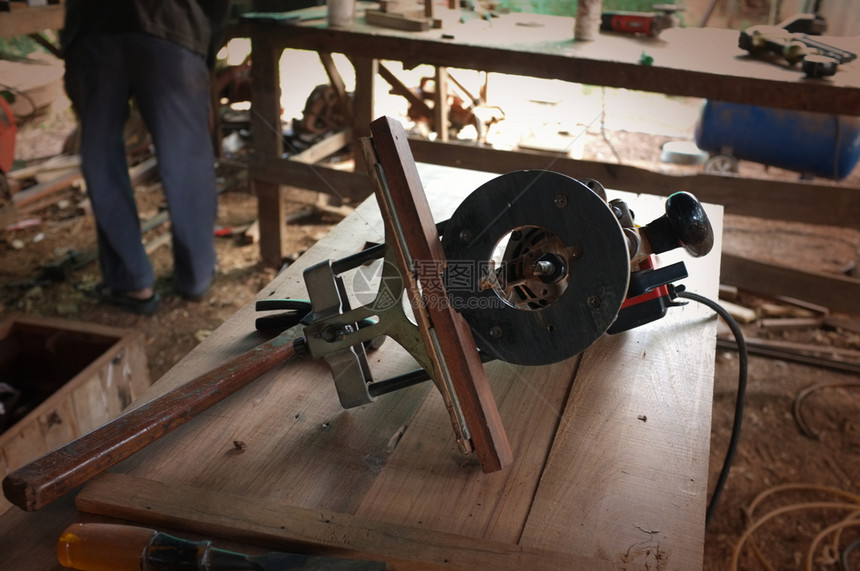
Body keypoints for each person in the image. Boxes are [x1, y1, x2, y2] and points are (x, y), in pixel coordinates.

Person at [61, 0, 230, 314]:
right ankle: (197, 274)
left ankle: (130, 281)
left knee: (102, 159)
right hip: (170, 26)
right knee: (186, 158)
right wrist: (205, 41)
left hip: (94, 25)